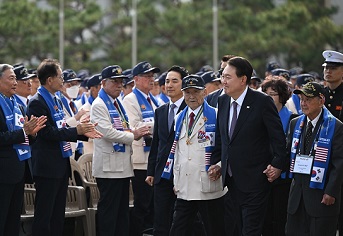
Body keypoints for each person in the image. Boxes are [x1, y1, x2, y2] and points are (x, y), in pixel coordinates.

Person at [210, 56, 287, 235]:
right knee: (235, 228)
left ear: (243, 79)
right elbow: (222, 138)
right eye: (222, 76)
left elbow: (278, 138)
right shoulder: (222, 101)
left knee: (251, 230)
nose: (223, 81)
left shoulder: (262, 101)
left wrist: (277, 165)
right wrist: (217, 163)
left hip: (256, 179)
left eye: (228, 77)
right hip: (230, 180)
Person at [27, 58, 102, 236]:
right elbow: (47, 134)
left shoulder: (57, 99)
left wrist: (83, 132)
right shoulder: (37, 102)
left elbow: (62, 127)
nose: (63, 80)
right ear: (50, 79)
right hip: (47, 167)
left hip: (61, 164)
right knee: (44, 216)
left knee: (57, 216)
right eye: (60, 76)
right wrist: (76, 130)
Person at [163, 74, 226, 236]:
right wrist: (176, 180)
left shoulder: (217, 115)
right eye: (187, 92)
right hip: (185, 185)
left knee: (215, 229)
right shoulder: (179, 117)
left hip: (208, 183)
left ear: (204, 92)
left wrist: (219, 167)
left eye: (195, 92)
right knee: (178, 229)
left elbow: (226, 147)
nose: (191, 96)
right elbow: (177, 151)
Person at [91, 65, 150, 236]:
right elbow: (107, 132)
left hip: (122, 166)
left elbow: (125, 126)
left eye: (121, 82)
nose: (119, 85)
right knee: (109, 211)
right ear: (103, 83)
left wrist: (134, 131)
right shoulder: (99, 104)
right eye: (115, 81)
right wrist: (134, 135)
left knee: (122, 211)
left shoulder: (117, 103)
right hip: (109, 169)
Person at [285, 82, 343, 236]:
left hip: (321, 198)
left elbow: (339, 164)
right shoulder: (295, 123)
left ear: (321, 100)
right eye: (301, 99)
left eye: (308, 99)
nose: (303, 103)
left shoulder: (335, 127)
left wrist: (331, 192)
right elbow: (287, 153)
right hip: (297, 198)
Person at [0, 64, 46, 236]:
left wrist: (31, 134)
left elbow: (24, 134)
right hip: (3, 172)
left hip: (18, 169)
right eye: (11, 78)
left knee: (13, 221)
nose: (15, 82)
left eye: (14, 78)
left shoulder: (16, 104)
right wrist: (23, 132)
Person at [146, 65, 188, 236]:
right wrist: (151, 171)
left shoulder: (191, 109)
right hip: (162, 174)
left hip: (184, 173)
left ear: (184, 84)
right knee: (161, 219)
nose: (169, 85)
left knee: (182, 220)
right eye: (167, 81)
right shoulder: (161, 111)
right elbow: (157, 144)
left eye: (175, 81)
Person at [122, 61, 160, 236]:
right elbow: (136, 126)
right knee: (142, 205)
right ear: (136, 79)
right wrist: (159, 125)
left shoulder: (154, 99)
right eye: (147, 76)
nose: (151, 79)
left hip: (154, 158)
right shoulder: (130, 99)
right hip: (139, 160)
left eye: (152, 76)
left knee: (154, 206)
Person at [261, 77, 298, 236]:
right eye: (265, 94)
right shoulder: (260, 117)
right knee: (265, 220)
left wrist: (277, 167)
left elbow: (291, 150)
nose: (268, 98)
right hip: (263, 174)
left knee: (281, 219)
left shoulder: (292, 119)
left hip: (283, 177)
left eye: (272, 94)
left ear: (282, 96)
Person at [321, 50, 343, 235]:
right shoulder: (321, 94)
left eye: (334, 68)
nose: (328, 71)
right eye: (326, 67)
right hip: (323, 156)